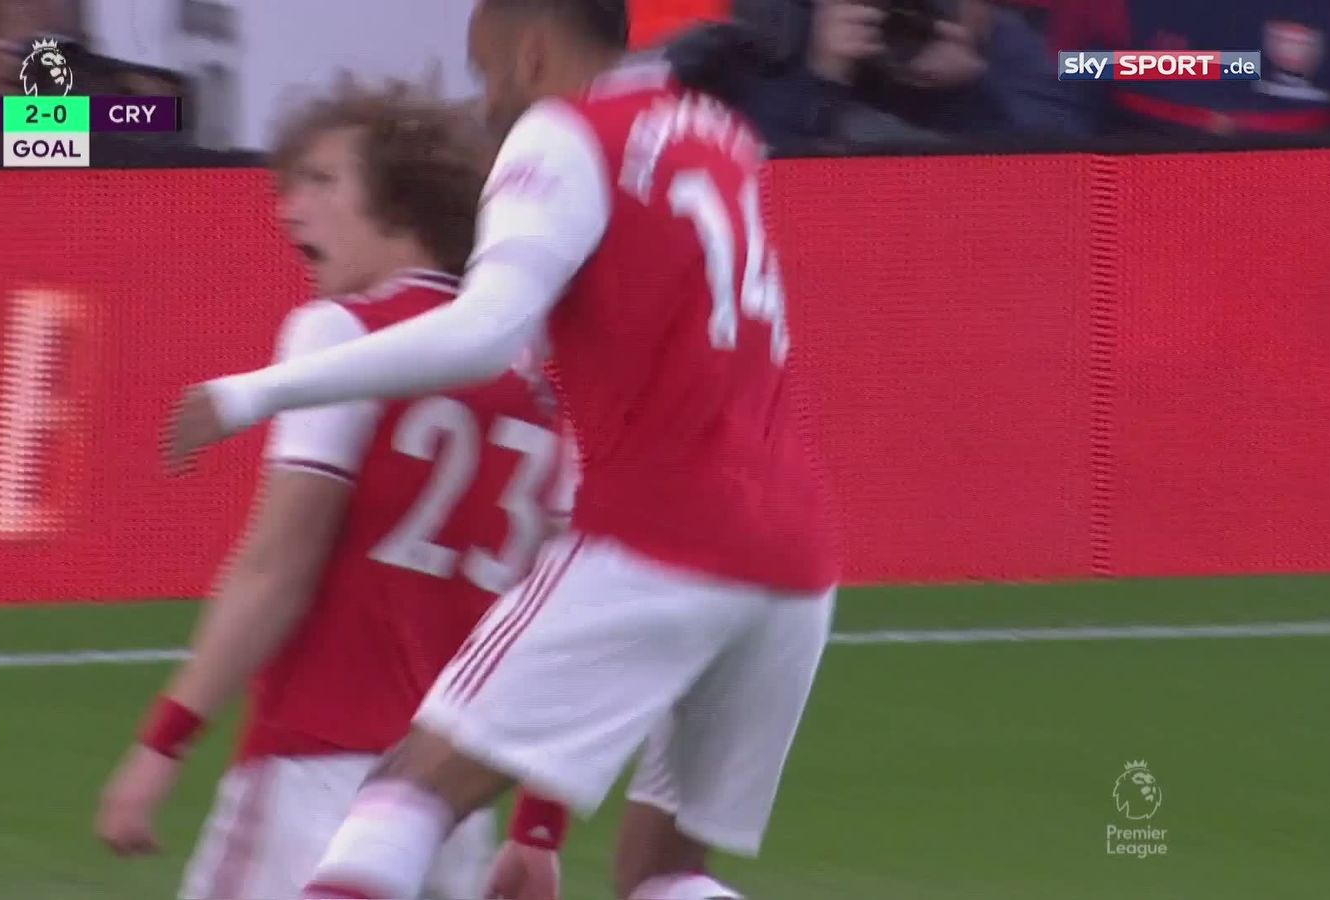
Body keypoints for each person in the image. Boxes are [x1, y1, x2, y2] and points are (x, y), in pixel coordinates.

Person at [165, 0, 842, 896]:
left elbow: (485, 332)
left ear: (530, 53)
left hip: (658, 535)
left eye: (485, 73)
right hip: (796, 565)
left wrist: (254, 392)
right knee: (663, 873)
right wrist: (537, 824)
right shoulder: (715, 133)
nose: (486, 102)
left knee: (404, 793)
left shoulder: (565, 132)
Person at [94, 77, 568, 900]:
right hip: (451, 810)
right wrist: (539, 823)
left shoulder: (341, 336)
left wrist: (163, 743)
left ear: (402, 203)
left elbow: (278, 568)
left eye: (322, 181)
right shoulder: (539, 390)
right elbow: (555, 625)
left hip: (316, 781)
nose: (291, 208)